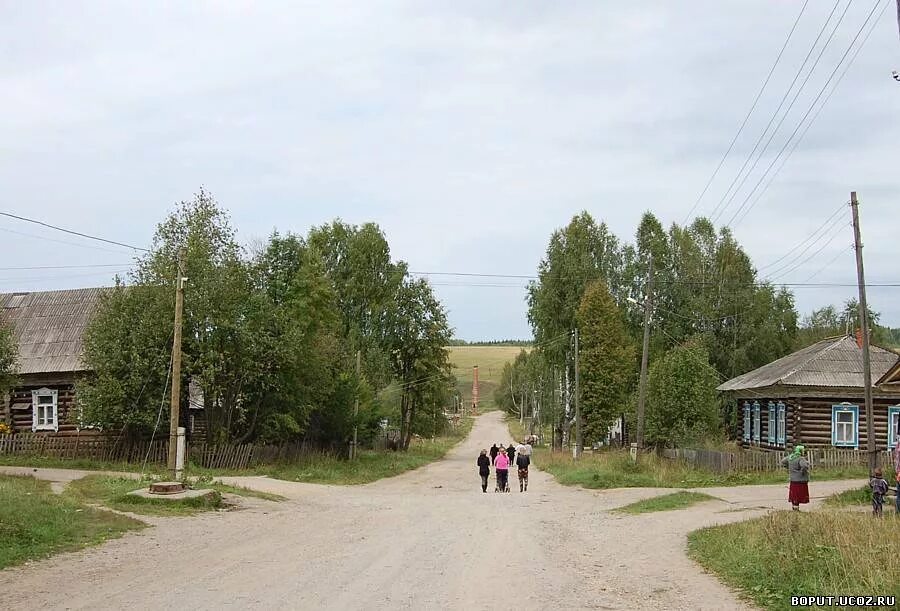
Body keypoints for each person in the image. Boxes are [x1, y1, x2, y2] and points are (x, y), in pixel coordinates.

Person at [781, 444, 810, 511]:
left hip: (793, 480)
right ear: (801, 451)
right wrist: (802, 472)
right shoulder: (800, 458)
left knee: (794, 494)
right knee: (799, 494)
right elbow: (804, 466)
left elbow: (783, 461)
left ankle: (795, 507)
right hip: (800, 480)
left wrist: (788, 468)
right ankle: (796, 509)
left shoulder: (790, 457)